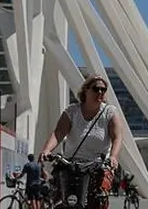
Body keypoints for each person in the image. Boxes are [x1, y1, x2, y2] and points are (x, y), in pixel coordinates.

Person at [40, 75, 123, 209]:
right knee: (58, 198)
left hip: (97, 165)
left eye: (103, 89)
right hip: (71, 164)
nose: (100, 92)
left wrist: (113, 157)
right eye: (96, 89)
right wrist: (47, 150)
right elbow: (59, 133)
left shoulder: (109, 112)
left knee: (98, 199)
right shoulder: (72, 111)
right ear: (86, 90)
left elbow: (117, 137)